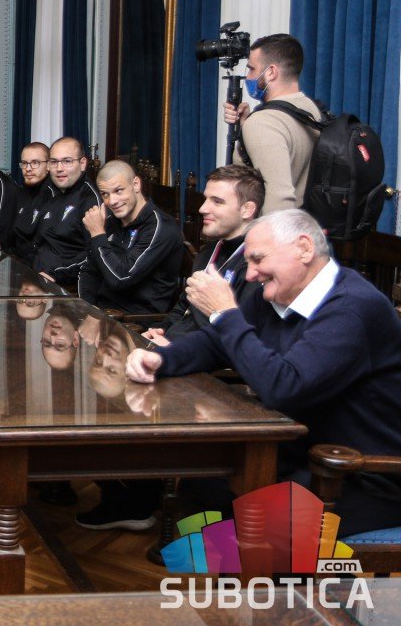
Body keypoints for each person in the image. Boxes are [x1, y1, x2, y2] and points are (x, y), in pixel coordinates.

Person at [127, 209, 401, 536]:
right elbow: (217, 344)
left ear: (304, 248)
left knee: (256, 523)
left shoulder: (352, 307)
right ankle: (223, 568)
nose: (251, 275)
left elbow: (285, 387)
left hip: (361, 473)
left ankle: (255, 569)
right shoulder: (277, 296)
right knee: (204, 484)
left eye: (257, 260)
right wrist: (162, 359)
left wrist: (225, 312)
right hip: (299, 448)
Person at [143, 165, 264, 345]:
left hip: (197, 357)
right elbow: (184, 306)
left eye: (217, 202)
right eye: (205, 199)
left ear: (247, 209)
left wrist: (174, 349)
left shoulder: (256, 266)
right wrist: (161, 328)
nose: (202, 208)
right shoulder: (209, 251)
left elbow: (239, 341)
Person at [225, 34, 322, 214]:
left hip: (274, 227)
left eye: (252, 69)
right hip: (305, 221)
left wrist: (254, 125)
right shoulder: (313, 110)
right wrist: (246, 125)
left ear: (271, 72)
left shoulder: (263, 123)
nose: (248, 77)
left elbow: (278, 201)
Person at [78, 160, 183, 315]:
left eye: (119, 191)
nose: (112, 201)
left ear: (136, 184)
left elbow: (121, 279)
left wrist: (98, 234)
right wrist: (85, 311)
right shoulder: (111, 221)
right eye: (105, 194)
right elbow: (89, 271)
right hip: (102, 313)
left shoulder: (161, 227)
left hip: (136, 319)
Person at [30, 137, 102, 288]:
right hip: (35, 278)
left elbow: (95, 256)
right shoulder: (49, 191)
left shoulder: (90, 200)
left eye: (67, 161)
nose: (59, 168)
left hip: (64, 288)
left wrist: (55, 276)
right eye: (54, 162)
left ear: (82, 163)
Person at [12, 141, 54, 266]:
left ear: (48, 165)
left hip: (38, 267)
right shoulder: (21, 192)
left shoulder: (53, 195)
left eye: (35, 163)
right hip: (17, 261)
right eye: (24, 163)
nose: (28, 169)